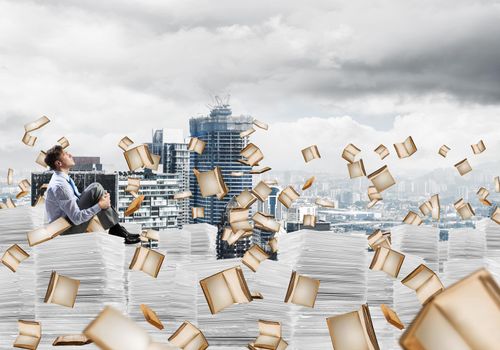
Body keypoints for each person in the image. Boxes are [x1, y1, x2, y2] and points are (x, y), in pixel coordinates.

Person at [44, 145, 141, 244]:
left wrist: (101, 199)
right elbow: (77, 218)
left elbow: (77, 202)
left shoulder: (62, 178)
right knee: (96, 190)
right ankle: (117, 230)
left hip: (66, 223)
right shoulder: (61, 186)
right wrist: (100, 205)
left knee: (96, 187)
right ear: (59, 163)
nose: (70, 155)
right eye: (65, 154)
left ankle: (117, 229)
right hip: (64, 231)